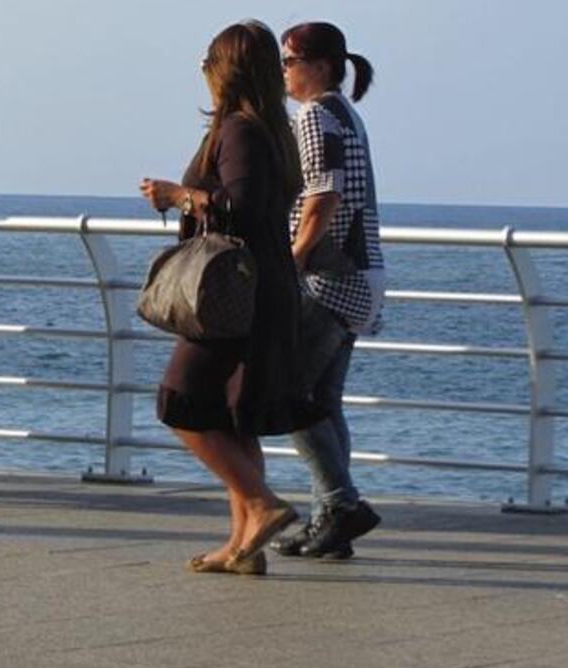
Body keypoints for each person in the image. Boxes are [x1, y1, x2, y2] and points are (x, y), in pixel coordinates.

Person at [139, 20, 321, 575]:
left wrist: (179, 195)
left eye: (206, 64)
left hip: (235, 292)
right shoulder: (268, 129)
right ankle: (244, 543)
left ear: (226, 70)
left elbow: (238, 207)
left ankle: (262, 505)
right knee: (234, 413)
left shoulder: (240, 131)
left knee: (181, 400)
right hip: (262, 288)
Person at [270, 22, 386, 558]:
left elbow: (322, 197)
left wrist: (292, 261)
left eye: (287, 62)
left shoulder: (316, 115)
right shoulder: (345, 113)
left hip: (329, 277)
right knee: (323, 400)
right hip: (361, 277)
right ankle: (329, 522)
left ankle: (341, 505)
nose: (282, 72)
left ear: (317, 65)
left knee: (292, 394)